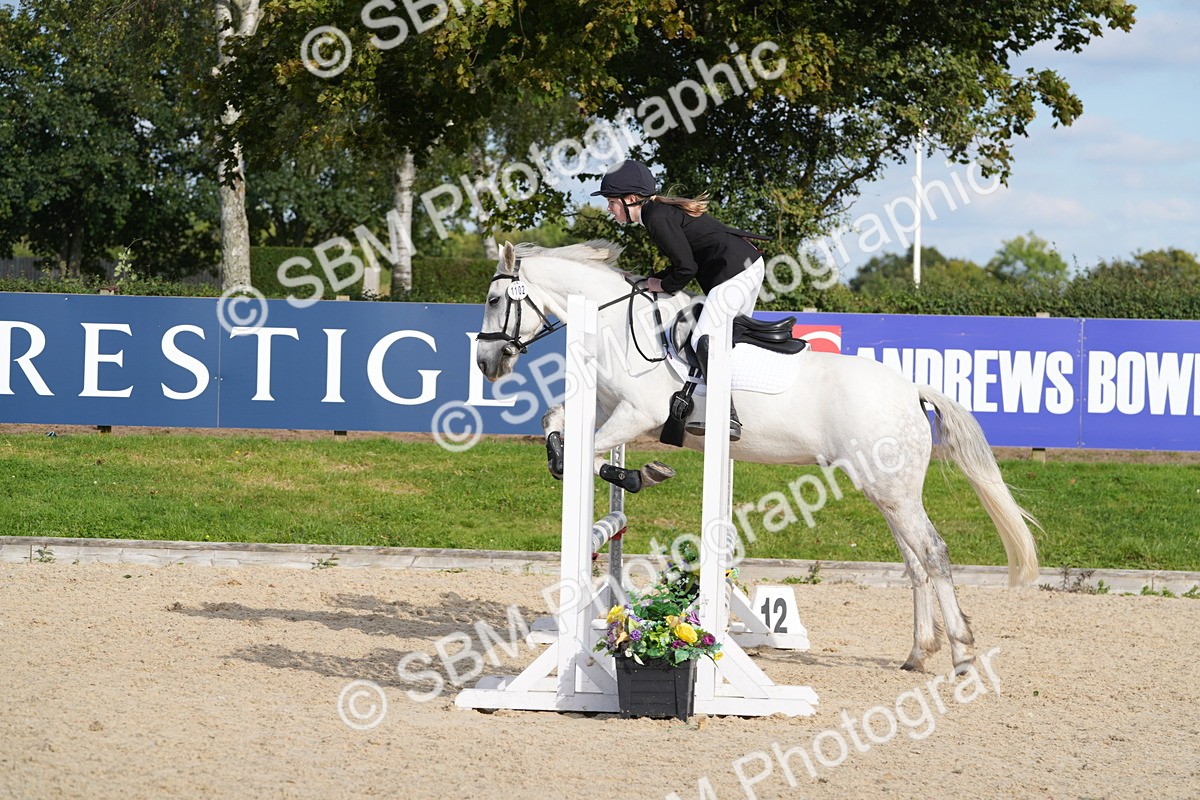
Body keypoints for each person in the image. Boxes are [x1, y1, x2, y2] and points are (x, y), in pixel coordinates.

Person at [592, 159, 766, 439]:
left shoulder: (656, 218)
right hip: (743, 265)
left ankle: (726, 415)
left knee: (705, 338)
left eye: (611, 202)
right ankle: (734, 404)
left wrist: (658, 283)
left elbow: (685, 270)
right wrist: (647, 282)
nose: (609, 209)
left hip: (737, 270)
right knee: (727, 338)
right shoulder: (657, 213)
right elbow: (680, 265)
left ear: (631, 199)